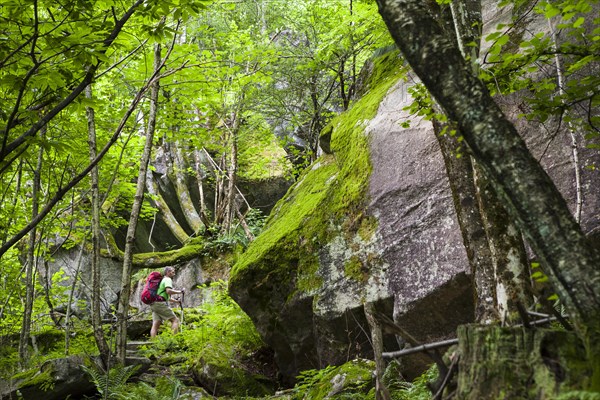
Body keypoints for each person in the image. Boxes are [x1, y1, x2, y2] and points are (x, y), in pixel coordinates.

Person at [150, 266, 185, 338]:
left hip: (154, 304)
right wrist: (180, 292)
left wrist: (176, 301)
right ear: (168, 272)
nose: (174, 274)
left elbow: (166, 297)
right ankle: (173, 340)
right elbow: (168, 291)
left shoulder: (162, 280)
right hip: (160, 304)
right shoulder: (167, 279)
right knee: (175, 320)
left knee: (156, 323)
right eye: (173, 272)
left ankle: (153, 343)